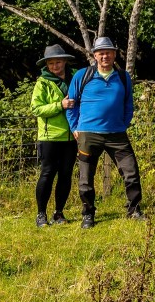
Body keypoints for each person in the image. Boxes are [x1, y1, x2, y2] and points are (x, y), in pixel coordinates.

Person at [66, 37, 144, 229]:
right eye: (101, 53)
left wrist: (123, 123)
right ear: (95, 55)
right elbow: (71, 104)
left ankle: (134, 209)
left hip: (117, 134)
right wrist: (75, 127)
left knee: (131, 172)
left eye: (108, 52)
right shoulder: (82, 75)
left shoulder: (123, 77)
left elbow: (128, 104)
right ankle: (88, 214)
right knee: (86, 177)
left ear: (114, 54)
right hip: (88, 134)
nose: (105, 56)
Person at [30, 44, 77, 227]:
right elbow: (36, 109)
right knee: (47, 174)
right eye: (51, 63)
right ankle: (41, 214)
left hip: (71, 136)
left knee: (66, 175)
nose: (54, 66)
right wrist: (59, 105)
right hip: (49, 137)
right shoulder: (42, 83)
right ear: (46, 65)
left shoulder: (75, 79)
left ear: (64, 61)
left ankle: (59, 213)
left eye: (58, 62)